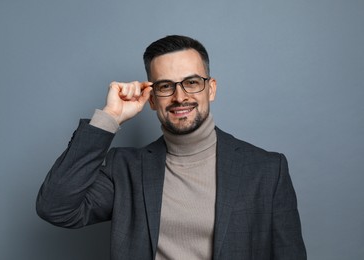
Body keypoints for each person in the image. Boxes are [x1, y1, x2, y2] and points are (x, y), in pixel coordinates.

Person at [36, 35, 306, 259]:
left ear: (210, 89)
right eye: (165, 86)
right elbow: (56, 208)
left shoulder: (267, 169)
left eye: (191, 82)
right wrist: (110, 117)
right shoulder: (125, 169)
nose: (180, 97)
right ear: (152, 99)